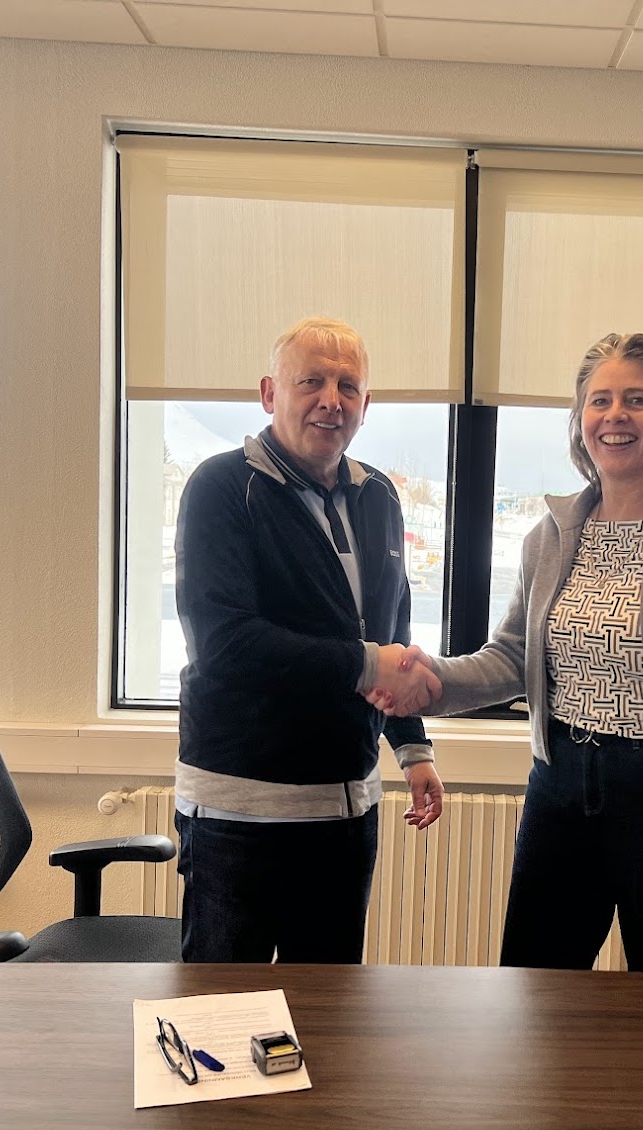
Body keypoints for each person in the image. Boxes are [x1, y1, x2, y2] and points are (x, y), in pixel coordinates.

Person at [373, 332, 643, 974]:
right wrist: (433, 681)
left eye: (637, 399)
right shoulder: (551, 536)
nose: (616, 415)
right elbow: (513, 658)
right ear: (580, 419)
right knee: (534, 1004)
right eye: (600, 400)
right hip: (560, 795)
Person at [174, 316, 445, 964]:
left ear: (366, 404)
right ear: (270, 393)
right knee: (224, 1010)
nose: (331, 400)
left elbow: (391, 631)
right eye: (311, 382)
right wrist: (365, 664)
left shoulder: (379, 495)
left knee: (329, 1011)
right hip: (240, 815)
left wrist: (412, 747)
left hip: (347, 812)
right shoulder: (221, 488)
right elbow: (225, 643)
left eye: (348, 386)